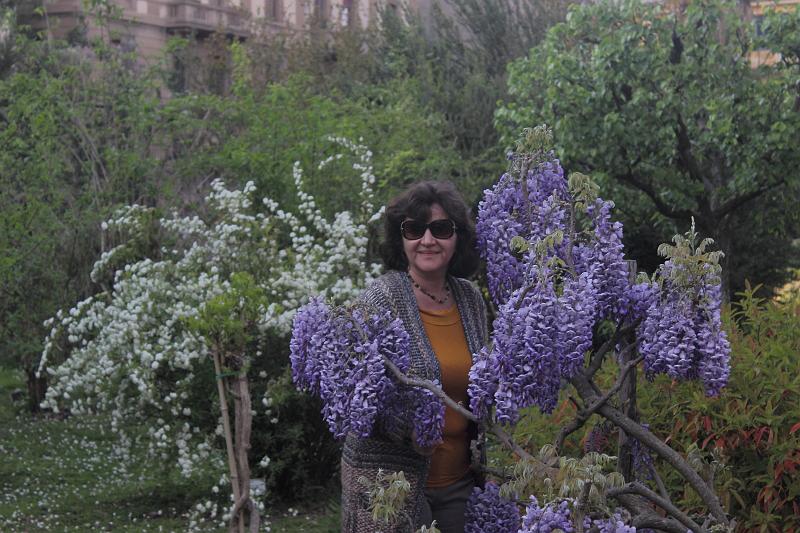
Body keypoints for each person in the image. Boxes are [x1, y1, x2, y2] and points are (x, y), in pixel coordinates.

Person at [340, 181, 488, 533]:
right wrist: (410, 429)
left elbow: (481, 390)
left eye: (440, 228)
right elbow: (355, 399)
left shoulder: (470, 299)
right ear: (400, 238)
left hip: (460, 483)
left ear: (457, 237)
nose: (427, 240)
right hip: (388, 482)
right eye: (414, 229)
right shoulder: (379, 300)